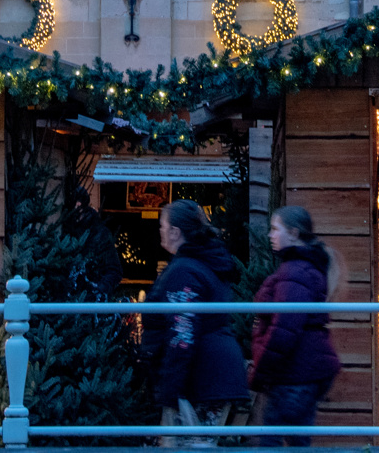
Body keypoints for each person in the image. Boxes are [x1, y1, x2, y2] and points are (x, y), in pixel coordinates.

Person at [141, 199, 249, 445]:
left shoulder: (183, 272)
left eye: (162, 225)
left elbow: (183, 333)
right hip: (211, 375)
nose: (159, 231)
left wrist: (170, 389)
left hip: (199, 380)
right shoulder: (204, 265)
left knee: (188, 446)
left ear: (175, 232)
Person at [250, 206, 342, 446]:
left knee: (270, 440)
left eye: (275, 229)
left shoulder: (295, 271)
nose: (270, 235)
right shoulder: (302, 268)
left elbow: (284, 329)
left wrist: (260, 372)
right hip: (305, 369)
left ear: (293, 233)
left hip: (295, 372)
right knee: (297, 441)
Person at [65, 186, 123, 297]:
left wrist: (98, 289)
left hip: (92, 299)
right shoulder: (66, 231)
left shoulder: (99, 234)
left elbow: (114, 270)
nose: (77, 210)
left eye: (79, 206)